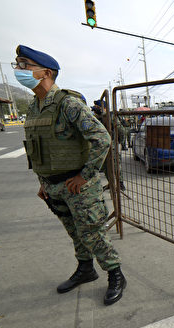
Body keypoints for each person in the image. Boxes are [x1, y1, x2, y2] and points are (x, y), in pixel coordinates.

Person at [15, 45, 126, 305]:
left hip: (78, 186)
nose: (19, 70)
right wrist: (43, 182)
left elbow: (101, 138)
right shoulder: (34, 107)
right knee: (75, 233)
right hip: (53, 187)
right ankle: (86, 269)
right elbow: (37, 149)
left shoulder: (68, 103)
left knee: (93, 234)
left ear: (46, 73)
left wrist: (85, 176)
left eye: (24, 65)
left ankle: (116, 274)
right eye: (17, 64)